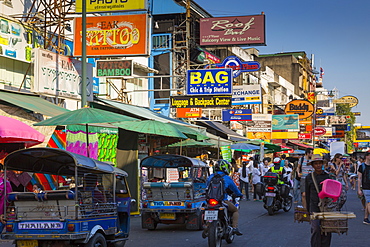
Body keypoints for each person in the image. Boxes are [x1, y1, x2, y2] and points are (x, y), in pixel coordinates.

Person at [207, 159, 243, 235]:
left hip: (209, 200)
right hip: (222, 200)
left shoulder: (210, 177)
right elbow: (235, 189)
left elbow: (206, 187)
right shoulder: (227, 178)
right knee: (235, 210)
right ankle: (234, 227)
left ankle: (207, 227)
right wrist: (240, 194)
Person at [305, 155, 332, 247]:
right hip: (314, 206)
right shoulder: (309, 177)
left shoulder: (328, 176)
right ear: (313, 165)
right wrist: (307, 210)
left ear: (323, 164)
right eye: (316, 164)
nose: (318, 165)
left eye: (320, 163)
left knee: (327, 229)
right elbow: (307, 194)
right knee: (316, 229)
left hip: (326, 206)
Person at [357, 152, 370, 225]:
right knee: (369, 202)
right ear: (367, 156)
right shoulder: (362, 166)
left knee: (368, 203)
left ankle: (366, 218)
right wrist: (359, 189)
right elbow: (359, 178)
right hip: (366, 187)